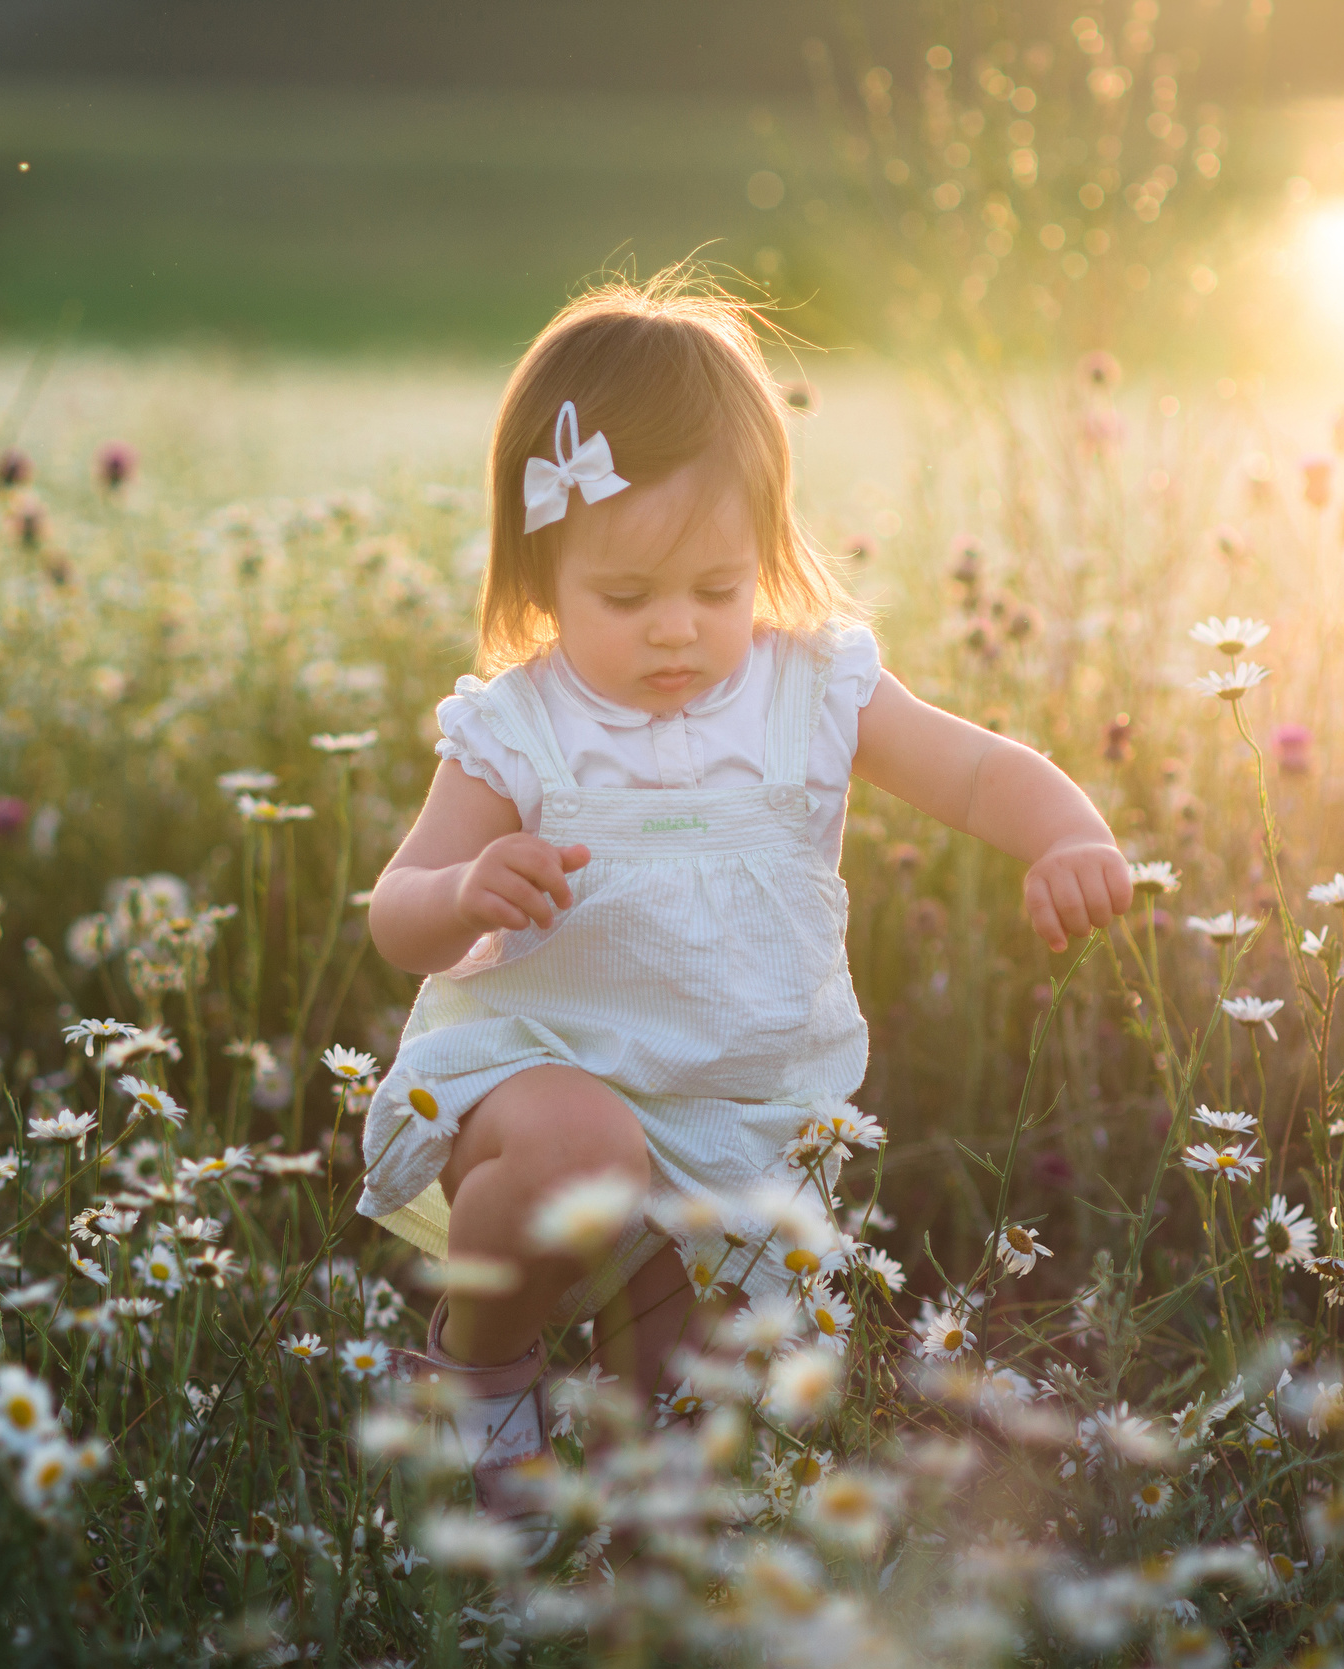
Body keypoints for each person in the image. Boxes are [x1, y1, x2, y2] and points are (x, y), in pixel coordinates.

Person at [361, 271, 1133, 1528]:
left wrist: (1065, 831)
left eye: (716, 588)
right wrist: (463, 888)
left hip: (733, 1113)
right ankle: (481, 1366)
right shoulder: (519, 727)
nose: (675, 629)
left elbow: (974, 769)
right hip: (546, 1066)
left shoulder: (811, 688)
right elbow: (396, 911)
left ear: (764, 553)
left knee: (684, 1439)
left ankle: (622, 1526)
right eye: (626, 597)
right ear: (543, 564)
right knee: (575, 1152)